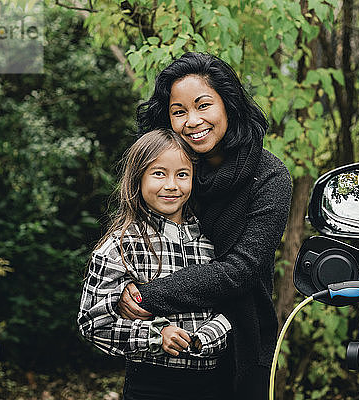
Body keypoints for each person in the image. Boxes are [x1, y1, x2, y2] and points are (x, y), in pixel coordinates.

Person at [117, 52, 293, 399]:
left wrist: (150, 296)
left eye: (203, 105)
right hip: (165, 346)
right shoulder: (172, 176)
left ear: (228, 105)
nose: (192, 120)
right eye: (178, 111)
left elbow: (240, 270)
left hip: (240, 345)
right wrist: (126, 290)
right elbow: (134, 237)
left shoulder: (270, 177)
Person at [77, 128, 232, 400]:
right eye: (159, 173)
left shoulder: (212, 240)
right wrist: (157, 336)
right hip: (151, 385)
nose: (172, 184)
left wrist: (204, 337)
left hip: (213, 384)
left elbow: (233, 306)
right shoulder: (120, 246)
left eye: (182, 174)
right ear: (138, 178)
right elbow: (93, 323)